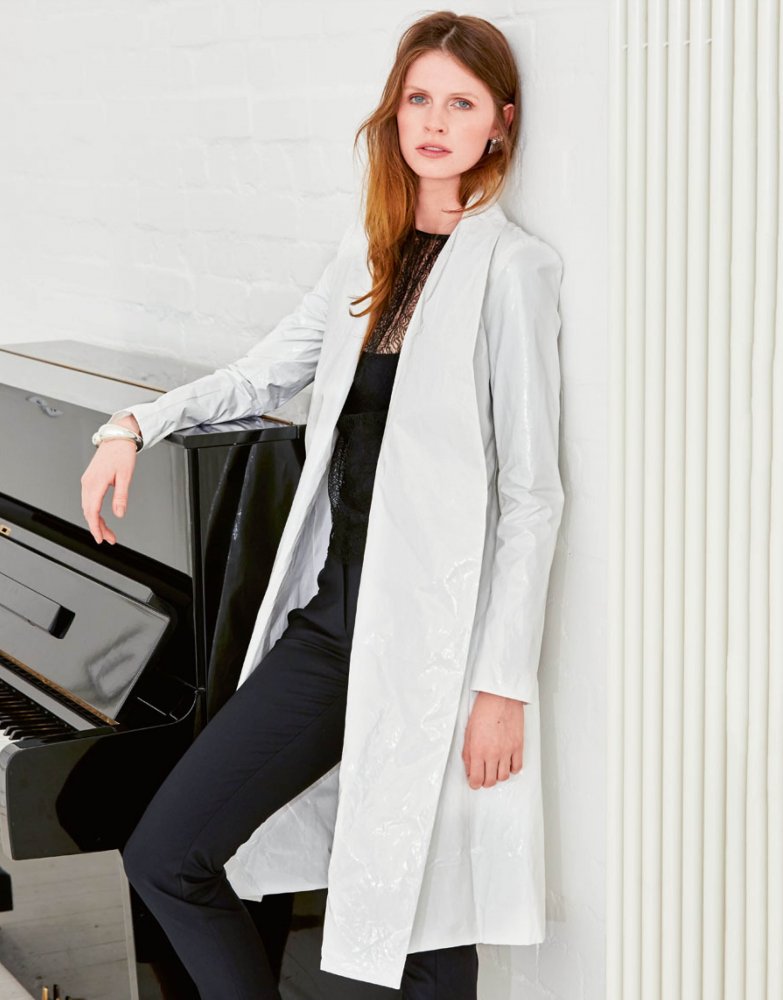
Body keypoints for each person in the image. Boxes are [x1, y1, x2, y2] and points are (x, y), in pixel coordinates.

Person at [80, 10, 565, 999]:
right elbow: (262, 374)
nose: (435, 122)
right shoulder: (368, 255)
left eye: (461, 103)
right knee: (168, 854)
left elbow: (530, 494)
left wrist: (502, 685)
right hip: (334, 629)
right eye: (418, 99)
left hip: (435, 648)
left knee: (427, 929)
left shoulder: (512, 271)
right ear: (394, 113)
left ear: (500, 123)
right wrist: (135, 422)